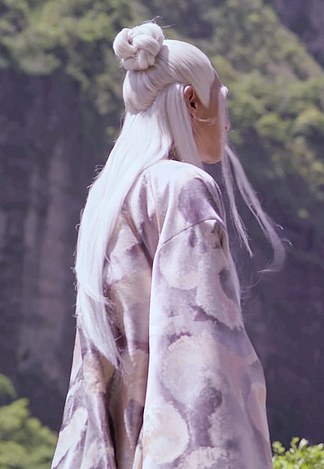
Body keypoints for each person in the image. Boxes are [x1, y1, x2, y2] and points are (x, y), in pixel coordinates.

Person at [51, 21, 284, 468]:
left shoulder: (108, 201)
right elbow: (199, 357)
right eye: (222, 101)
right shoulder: (183, 188)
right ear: (192, 101)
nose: (227, 122)